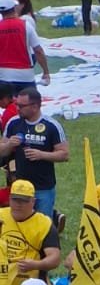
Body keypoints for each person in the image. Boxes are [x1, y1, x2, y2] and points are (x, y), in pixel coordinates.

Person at [0, 179, 61, 285]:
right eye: (15, 200)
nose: (18, 205)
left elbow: (54, 258)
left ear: (33, 202)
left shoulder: (43, 224)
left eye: (23, 201)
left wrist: (36, 264)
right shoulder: (1, 217)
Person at [0, 87, 65, 220]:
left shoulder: (51, 126)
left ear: (35, 106)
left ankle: (54, 220)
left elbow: (64, 154)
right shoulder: (13, 123)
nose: (17, 108)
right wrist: (9, 144)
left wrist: (42, 155)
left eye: (21, 106)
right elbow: (1, 150)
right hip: (20, 187)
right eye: (17, 104)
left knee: (42, 223)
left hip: (43, 187)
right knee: (20, 222)